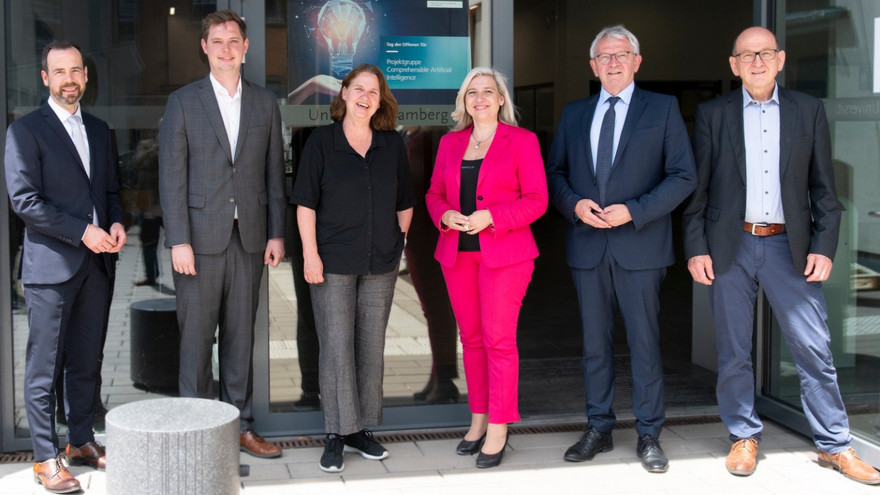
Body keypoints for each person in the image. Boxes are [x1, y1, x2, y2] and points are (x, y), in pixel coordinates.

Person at [682, 26, 880, 485]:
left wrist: (824, 247)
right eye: (747, 55)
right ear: (733, 64)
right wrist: (696, 249)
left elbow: (824, 191)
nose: (756, 62)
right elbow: (699, 191)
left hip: (788, 246)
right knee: (733, 350)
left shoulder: (807, 111)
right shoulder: (714, 115)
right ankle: (743, 436)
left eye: (765, 53)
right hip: (731, 245)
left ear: (780, 59)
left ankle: (834, 444)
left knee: (813, 348)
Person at [547, 25, 696, 473]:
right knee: (595, 344)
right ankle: (599, 426)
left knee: (644, 343)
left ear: (637, 61)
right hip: (588, 244)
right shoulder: (575, 114)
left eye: (622, 54)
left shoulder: (663, 109)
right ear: (593, 66)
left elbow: (683, 176)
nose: (613, 63)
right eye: (604, 57)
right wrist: (574, 204)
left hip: (641, 243)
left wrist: (636, 210)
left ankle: (649, 432)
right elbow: (553, 175)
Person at [158, 10, 286, 459]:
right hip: (198, 241)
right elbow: (171, 177)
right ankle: (195, 432)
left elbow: (274, 173)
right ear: (205, 47)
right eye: (218, 41)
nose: (226, 48)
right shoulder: (183, 102)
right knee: (195, 340)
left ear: (246, 47)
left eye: (234, 40)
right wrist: (178, 240)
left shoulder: (265, 103)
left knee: (240, 337)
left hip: (249, 239)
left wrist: (276, 233)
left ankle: (240, 427)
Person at [5, 40, 126, 493]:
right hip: (51, 267)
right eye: (60, 72)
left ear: (86, 77)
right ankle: (43, 457)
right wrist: (83, 231)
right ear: (45, 78)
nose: (69, 79)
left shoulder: (99, 129)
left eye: (76, 71)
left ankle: (80, 441)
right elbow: (24, 201)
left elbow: (111, 190)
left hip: (96, 267)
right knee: (44, 366)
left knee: (86, 361)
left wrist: (114, 222)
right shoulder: (26, 131)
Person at [291, 64, 415, 473]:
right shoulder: (321, 141)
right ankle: (335, 432)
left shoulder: (391, 144)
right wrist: (310, 254)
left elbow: (405, 200)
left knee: (370, 347)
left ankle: (360, 428)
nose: (365, 97)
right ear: (343, 94)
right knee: (336, 346)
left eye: (374, 92)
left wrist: (399, 241)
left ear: (381, 100)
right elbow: (305, 203)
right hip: (332, 260)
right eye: (358, 89)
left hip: (379, 261)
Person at [426, 67, 548, 469]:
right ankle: (478, 418)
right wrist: (445, 216)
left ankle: (499, 424)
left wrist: (491, 216)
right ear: (464, 101)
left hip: (506, 255)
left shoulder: (522, 141)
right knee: (472, 339)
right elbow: (434, 194)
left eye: (487, 92)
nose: (479, 98)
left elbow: (537, 200)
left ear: (500, 100)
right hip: (458, 254)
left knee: (498, 340)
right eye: (471, 92)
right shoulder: (450, 143)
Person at [402, 126, 460, 405]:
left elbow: (418, 186)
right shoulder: (422, 137)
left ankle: (445, 379)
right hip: (424, 233)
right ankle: (439, 375)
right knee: (435, 309)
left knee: (437, 309)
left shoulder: (426, 139)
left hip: (427, 234)